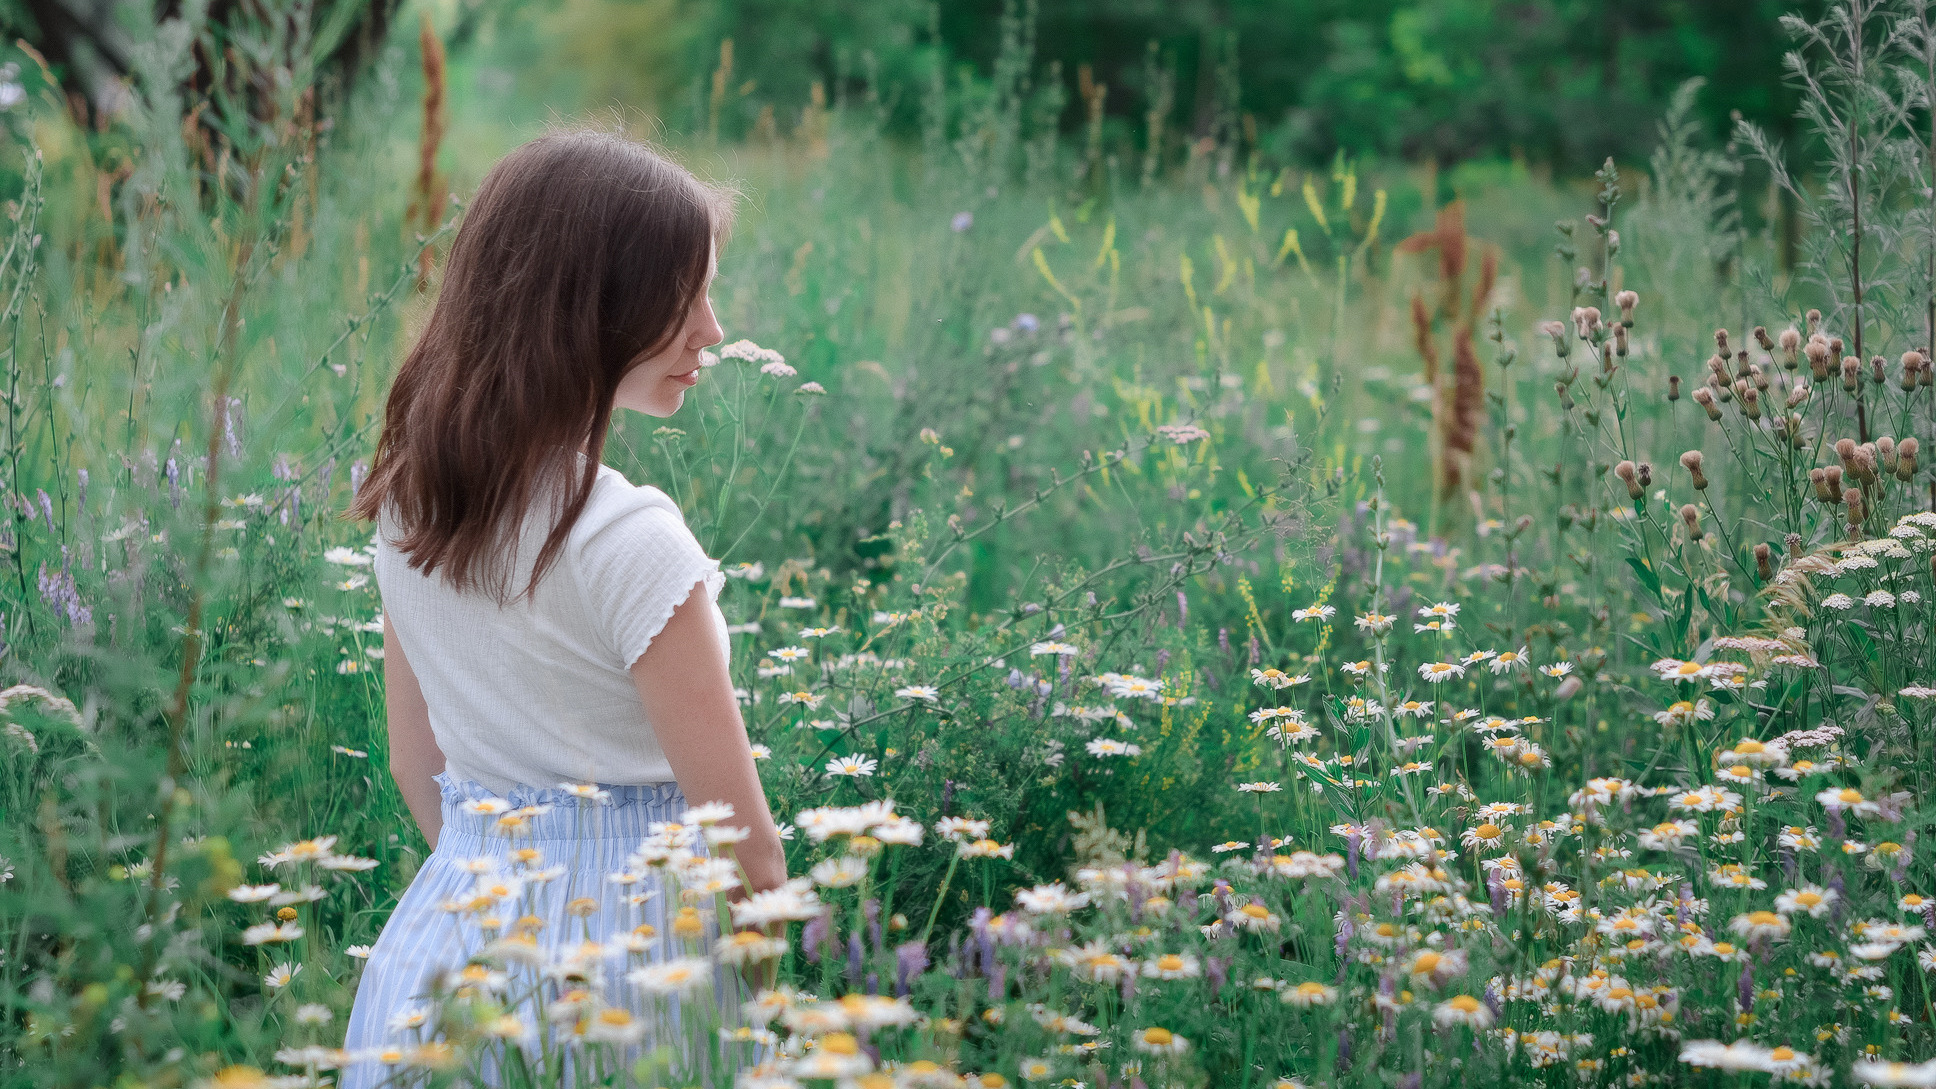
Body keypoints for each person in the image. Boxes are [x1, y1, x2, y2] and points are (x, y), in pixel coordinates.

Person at [337, 128, 788, 1085]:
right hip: (633, 974)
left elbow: (419, 767)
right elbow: (745, 854)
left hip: (447, 954)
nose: (711, 328)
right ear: (594, 305)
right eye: (685, 294)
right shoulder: (628, 538)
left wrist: (510, 883)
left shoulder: (412, 506)